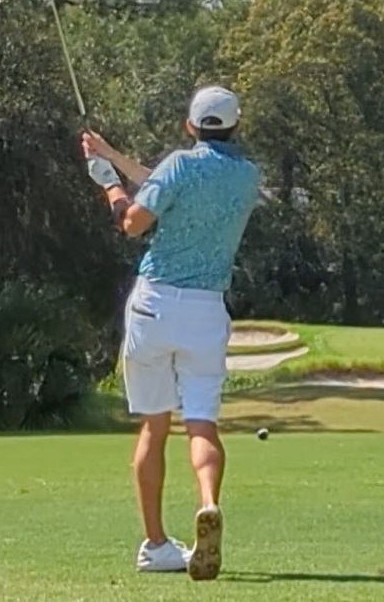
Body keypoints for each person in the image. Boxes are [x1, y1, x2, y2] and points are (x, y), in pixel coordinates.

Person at [82, 85, 261, 581]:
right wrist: (113, 155)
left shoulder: (180, 165)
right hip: (207, 312)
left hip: (156, 306)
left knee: (154, 427)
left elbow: (136, 223)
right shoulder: (248, 176)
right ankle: (208, 502)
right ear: (236, 125)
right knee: (202, 424)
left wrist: (107, 184)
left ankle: (157, 544)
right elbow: (162, 183)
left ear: (190, 126)